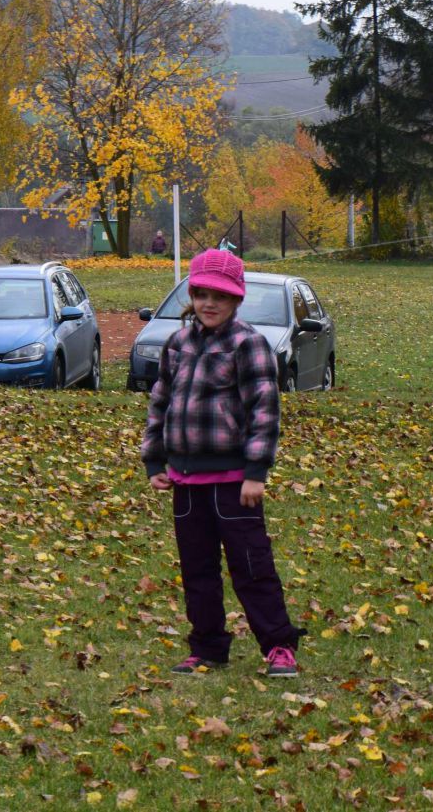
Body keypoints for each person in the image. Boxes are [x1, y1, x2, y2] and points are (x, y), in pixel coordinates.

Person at [141, 249, 306, 678]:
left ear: (236, 300)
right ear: (192, 296)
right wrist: (155, 460)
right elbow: (160, 402)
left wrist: (256, 472)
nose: (209, 304)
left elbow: (264, 411)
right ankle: (208, 646)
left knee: (251, 566)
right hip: (186, 482)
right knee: (197, 570)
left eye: (220, 297)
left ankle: (279, 645)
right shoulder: (177, 345)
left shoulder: (248, 344)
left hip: (234, 483)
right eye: (201, 295)